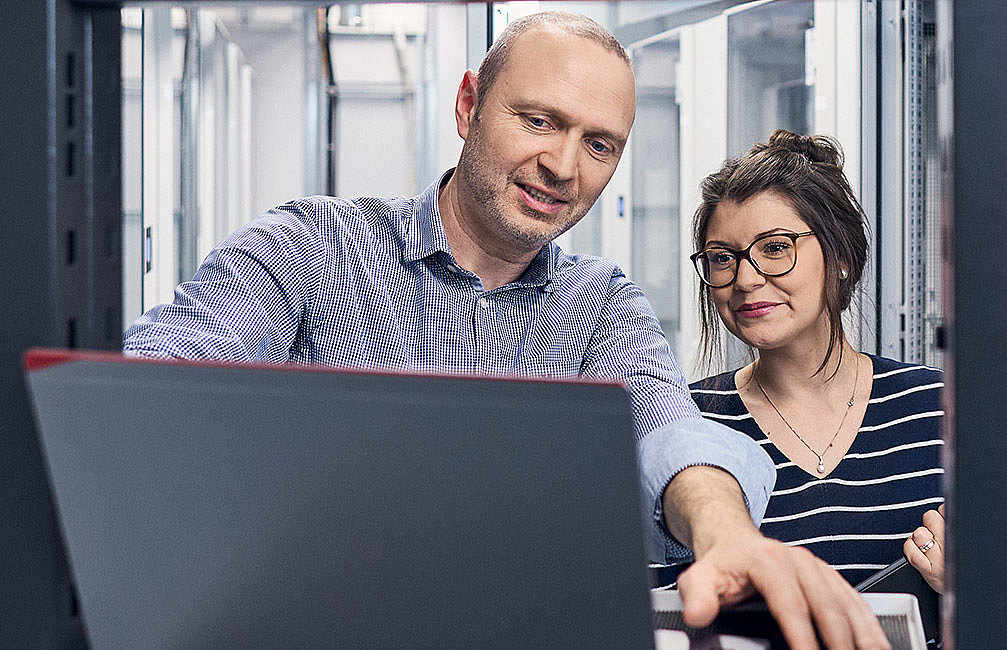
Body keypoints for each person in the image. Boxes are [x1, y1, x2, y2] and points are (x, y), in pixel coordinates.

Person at [122, 12, 891, 650]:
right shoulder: (311, 252)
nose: (563, 165)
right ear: (468, 107)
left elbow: (669, 435)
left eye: (599, 144)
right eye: (539, 121)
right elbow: (157, 389)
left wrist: (726, 534)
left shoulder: (600, 309)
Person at [654, 131, 949, 596]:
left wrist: (975, 595)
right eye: (722, 258)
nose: (746, 279)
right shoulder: (688, 428)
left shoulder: (938, 409)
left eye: (775, 248)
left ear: (842, 256)